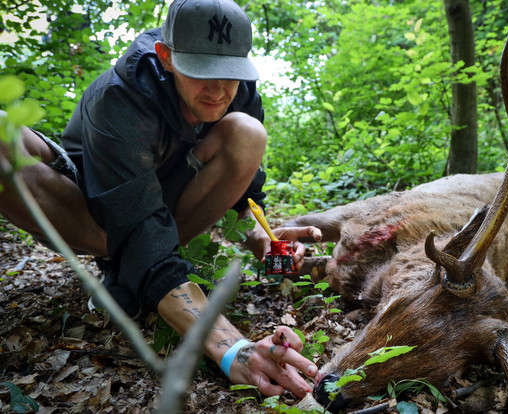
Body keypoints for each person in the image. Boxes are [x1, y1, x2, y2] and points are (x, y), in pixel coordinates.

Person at [0, 0, 321, 398]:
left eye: (231, 74)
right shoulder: (120, 98)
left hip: (166, 208)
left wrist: (266, 243)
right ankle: (137, 270)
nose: (219, 91)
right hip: (89, 207)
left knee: (247, 131)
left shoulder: (240, 93)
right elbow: (138, 227)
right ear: (166, 58)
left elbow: (245, 195)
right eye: (202, 72)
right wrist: (232, 348)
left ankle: (141, 274)